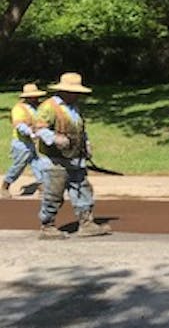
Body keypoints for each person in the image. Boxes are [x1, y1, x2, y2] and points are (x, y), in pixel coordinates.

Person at [33, 72, 111, 239]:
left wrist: (86, 144)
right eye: (74, 92)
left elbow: (81, 130)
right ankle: (47, 226)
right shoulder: (49, 107)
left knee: (83, 189)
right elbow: (38, 128)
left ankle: (86, 223)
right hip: (55, 160)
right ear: (64, 91)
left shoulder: (74, 108)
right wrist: (54, 138)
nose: (77, 95)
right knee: (54, 193)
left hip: (76, 159)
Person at [2, 83, 49, 198]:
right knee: (18, 166)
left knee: (38, 164)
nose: (36, 98)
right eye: (33, 96)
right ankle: (5, 186)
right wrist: (30, 132)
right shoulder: (19, 109)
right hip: (21, 144)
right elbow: (20, 125)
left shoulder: (35, 108)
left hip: (31, 143)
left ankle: (42, 187)